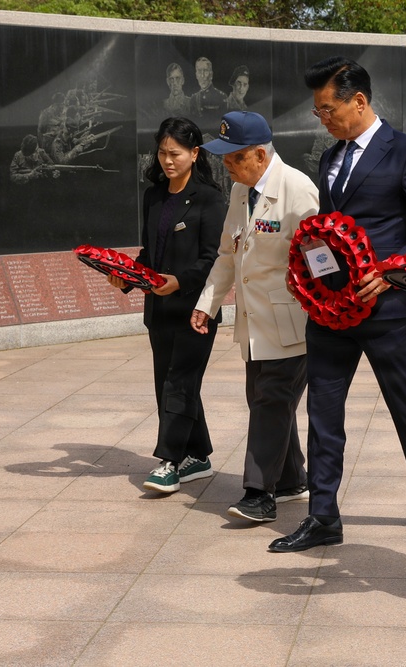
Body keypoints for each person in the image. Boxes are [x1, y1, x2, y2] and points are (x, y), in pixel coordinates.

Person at [269, 56, 406, 553]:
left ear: (359, 100)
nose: (322, 118)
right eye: (317, 112)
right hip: (330, 311)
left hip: (387, 308)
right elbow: (331, 232)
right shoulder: (331, 158)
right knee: (324, 412)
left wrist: (393, 271)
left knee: (404, 403)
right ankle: (323, 516)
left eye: (328, 109)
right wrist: (307, 273)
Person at [191, 111, 319, 522]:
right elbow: (229, 253)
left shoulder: (298, 190)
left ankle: (258, 493)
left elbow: (322, 259)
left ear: (260, 155)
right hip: (253, 324)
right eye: (224, 157)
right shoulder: (240, 191)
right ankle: (291, 480)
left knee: (270, 401)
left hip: (291, 322)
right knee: (266, 402)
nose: (226, 165)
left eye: (234, 157)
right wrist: (206, 303)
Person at [107, 117, 226, 493]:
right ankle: (199, 454)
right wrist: (128, 276)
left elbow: (213, 258)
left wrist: (180, 282)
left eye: (175, 153)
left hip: (196, 308)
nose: (167, 160)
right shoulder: (153, 196)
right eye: (162, 152)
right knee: (169, 382)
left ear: (194, 153)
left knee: (180, 381)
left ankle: (169, 460)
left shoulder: (210, 197)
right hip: (158, 310)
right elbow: (150, 252)